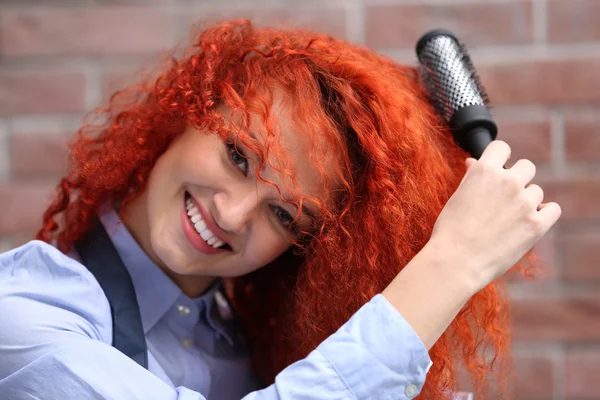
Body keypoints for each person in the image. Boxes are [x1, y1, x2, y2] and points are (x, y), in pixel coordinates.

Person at [0, 20, 560, 400]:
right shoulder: (26, 314)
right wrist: (451, 263)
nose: (235, 214)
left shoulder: (244, 347)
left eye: (286, 216)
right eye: (238, 156)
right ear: (185, 113)